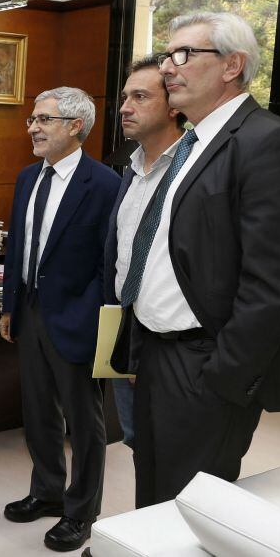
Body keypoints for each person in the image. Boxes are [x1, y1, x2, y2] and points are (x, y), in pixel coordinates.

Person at [125, 11, 280, 507]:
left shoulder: (268, 140)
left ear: (231, 65)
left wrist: (224, 375)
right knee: (152, 496)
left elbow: (274, 283)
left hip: (205, 365)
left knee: (187, 509)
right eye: (165, 56)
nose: (168, 68)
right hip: (159, 354)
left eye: (183, 55)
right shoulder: (193, 143)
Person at [0, 87, 119, 552]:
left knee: (84, 423)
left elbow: (108, 262)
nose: (32, 127)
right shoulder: (29, 177)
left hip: (77, 318)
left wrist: (95, 318)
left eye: (44, 119)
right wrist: (10, 304)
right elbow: (19, 249)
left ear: (75, 126)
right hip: (30, 311)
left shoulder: (106, 184)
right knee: (38, 411)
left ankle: (81, 511)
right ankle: (46, 492)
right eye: (32, 118)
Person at [102, 56, 185, 452]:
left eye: (139, 96)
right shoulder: (130, 170)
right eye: (123, 97)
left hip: (173, 341)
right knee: (138, 443)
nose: (124, 108)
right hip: (126, 329)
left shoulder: (193, 169)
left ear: (173, 106)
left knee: (173, 451)